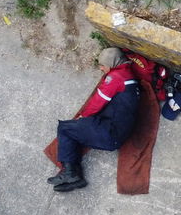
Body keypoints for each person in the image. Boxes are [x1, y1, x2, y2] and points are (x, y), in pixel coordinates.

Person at [48, 48, 148, 192]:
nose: (101, 68)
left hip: (110, 133)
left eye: (102, 65)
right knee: (74, 130)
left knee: (65, 129)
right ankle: (75, 177)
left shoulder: (116, 78)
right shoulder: (128, 76)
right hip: (117, 131)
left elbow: (98, 101)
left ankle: (70, 173)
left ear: (111, 64)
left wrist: (83, 117)